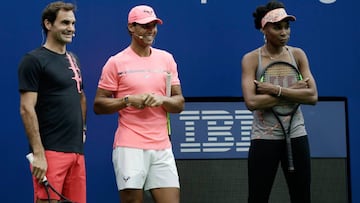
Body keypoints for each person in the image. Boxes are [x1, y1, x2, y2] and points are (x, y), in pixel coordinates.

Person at [93, 4, 184, 203]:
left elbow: (179, 103)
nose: (150, 30)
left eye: (153, 25)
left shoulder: (166, 59)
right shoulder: (116, 62)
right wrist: (127, 101)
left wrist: (163, 100)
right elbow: (98, 105)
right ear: (131, 28)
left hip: (161, 146)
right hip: (129, 145)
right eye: (144, 25)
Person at [241, 1, 318, 202]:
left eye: (286, 26)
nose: (284, 32)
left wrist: (274, 89)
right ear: (263, 29)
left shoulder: (298, 55)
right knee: (258, 197)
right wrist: (294, 91)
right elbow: (251, 102)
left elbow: (312, 96)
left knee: (302, 197)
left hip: (296, 134)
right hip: (264, 138)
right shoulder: (251, 59)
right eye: (277, 27)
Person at [18, 1, 87, 203]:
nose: (71, 29)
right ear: (48, 24)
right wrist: (38, 154)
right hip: (50, 153)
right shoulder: (33, 60)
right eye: (65, 23)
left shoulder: (73, 59)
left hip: (76, 153)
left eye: (73, 23)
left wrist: (82, 131)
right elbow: (26, 108)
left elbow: (80, 96)